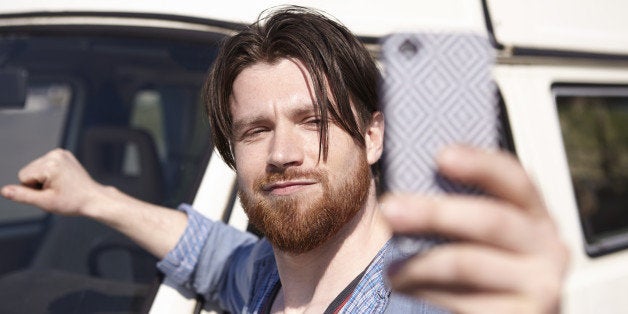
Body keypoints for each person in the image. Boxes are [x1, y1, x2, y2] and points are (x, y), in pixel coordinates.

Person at [0, 6, 567, 314]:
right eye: (255, 130)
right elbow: (205, 250)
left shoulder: (426, 297)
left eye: (313, 121)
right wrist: (93, 197)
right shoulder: (264, 277)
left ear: (372, 137)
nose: (281, 154)